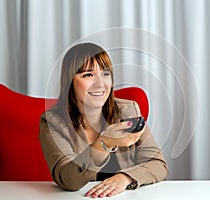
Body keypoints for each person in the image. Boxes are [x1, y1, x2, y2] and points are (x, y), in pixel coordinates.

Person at [39, 42, 168, 198]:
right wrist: (104, 143)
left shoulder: (128, 111)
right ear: (70, 81)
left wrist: (126, 178)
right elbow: (68, 180)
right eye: (88, 74)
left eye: (105, 74)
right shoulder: (52, 122)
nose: (100, 84)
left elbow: (159, 165)